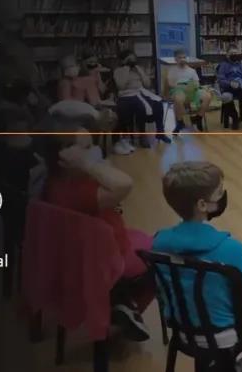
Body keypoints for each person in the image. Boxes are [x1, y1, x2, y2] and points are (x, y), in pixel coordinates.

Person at [36, 115, 155, 341]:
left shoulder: (53, 181)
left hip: (83, 253)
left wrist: (89, 166)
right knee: (160, 260)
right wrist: (90, 165)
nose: (94, 153)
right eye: (86, 149)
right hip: (106, 257)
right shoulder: (81, 191)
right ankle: (125, 310)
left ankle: (121, 302)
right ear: (65, 157)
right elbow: (124, 184)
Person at [153, 161, 242, 372]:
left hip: (182, 331)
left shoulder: (158, 243)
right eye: (219, 192)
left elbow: (162, 292)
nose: (223, 196)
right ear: (202, 205)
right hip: (224, 335)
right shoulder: (230, 249)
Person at [112, 49, 170, 151]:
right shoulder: (118, 71)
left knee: (158, 103)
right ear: (123, 60)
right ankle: (142, 136)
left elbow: (147, 85)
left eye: (133, 58)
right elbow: (121, 86)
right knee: (140, 107)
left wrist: (140, 71)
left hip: (141, 92)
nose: (131, 61)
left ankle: (160, 132)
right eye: (129, 59)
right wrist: (126, 69)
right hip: (127, 95)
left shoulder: (138, 69)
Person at [166, 49, 212, 133]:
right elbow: (171, 84)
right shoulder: (172, 70)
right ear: (175, 59)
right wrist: (181, 86)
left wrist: (191, 86)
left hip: (192, 91)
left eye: (184, 57)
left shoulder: (191, 70)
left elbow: (197, 84)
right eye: (180, 58)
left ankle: (198, 118)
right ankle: (180, 121)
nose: (182, 59)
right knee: (178, 98)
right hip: (178, 90)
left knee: (207, 96)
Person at [216, 45, 242, 131]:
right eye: (232, 53)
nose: (234, 55)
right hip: (229, 88)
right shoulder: (223, 65)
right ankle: (235, 118)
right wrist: (230, 83)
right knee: (226, 97)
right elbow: (220, 80)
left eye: (236, 53)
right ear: (227, 55)